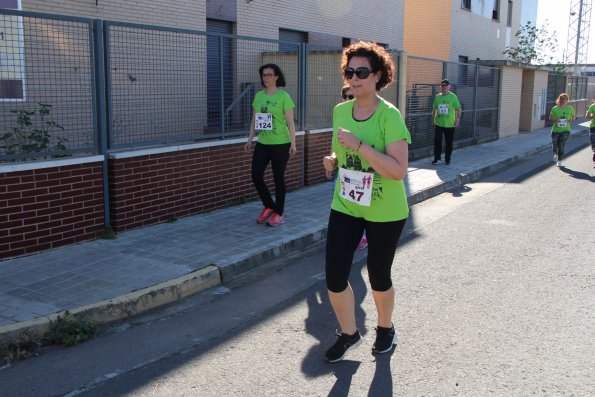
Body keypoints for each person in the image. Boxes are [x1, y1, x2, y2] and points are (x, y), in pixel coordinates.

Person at [321, 41, 411, 363]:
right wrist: (332, 159)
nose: (354, 78)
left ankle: (385, 328)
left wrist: (360, 146)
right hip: (347, 202)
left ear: (377, 76)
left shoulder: (390, 116)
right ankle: (349, 333)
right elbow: (339, 150)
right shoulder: (340, 111)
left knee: (378, 274)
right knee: (334, 275)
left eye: (361, 72)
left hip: (385, 209)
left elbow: (398, 170)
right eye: (350, 71)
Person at [245, 64, 297, 226]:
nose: (266, 78)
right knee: (256, 175)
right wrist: (250, 139)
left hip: (281, 144)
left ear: (276, 77)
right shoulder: (259, 96)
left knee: (278, 178)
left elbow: (290, 122)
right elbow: (255, 119)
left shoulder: (284, 97)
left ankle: (278, 213)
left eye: (269, 75)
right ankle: (269, 205)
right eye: (264, 75)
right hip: (263, 143)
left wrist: (293, 143)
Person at [325, 85, 368, 250]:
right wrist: (331, 161)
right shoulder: (340, 115)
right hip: (342, 169)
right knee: (341, 201)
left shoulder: (364, 116)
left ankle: (363, 234)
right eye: (347, 97)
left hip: (360, 169)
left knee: (360, 202)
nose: (351, 100)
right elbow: (335, 143)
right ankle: (346, 234)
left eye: (353, 97)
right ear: (343, 98)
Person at [431, 79, 461, 165]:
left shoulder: (453, 97)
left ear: (449, 87)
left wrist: (457, 120)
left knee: (449, 142)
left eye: (446, 85)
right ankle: (437, 158)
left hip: (450, 124)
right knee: (437, 141)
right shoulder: (438, 97)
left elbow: (458, 109)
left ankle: (447, 158)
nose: (444, 87)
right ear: (441, 87)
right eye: (442, 85)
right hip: (439, 123)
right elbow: (434, 109)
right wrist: (433, 120)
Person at [549, 93, 575, 168]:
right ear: (559, 100)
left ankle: (559, 161)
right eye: (561, 99)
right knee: (554, 146)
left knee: (561, 145)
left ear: (567, 100)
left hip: (565, 130)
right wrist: (556, 119)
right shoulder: (555, 108)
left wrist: (570, 120)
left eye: (564, 99)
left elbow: (573, 117)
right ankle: (556, 154)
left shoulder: (570, 108)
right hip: (555, 130)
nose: (562, 100)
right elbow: (550, 117)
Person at [584, 98, 595, 168]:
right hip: (593, 128)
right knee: (594, 146)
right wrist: (592, 116)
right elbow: (586, 117)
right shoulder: (592, 106)